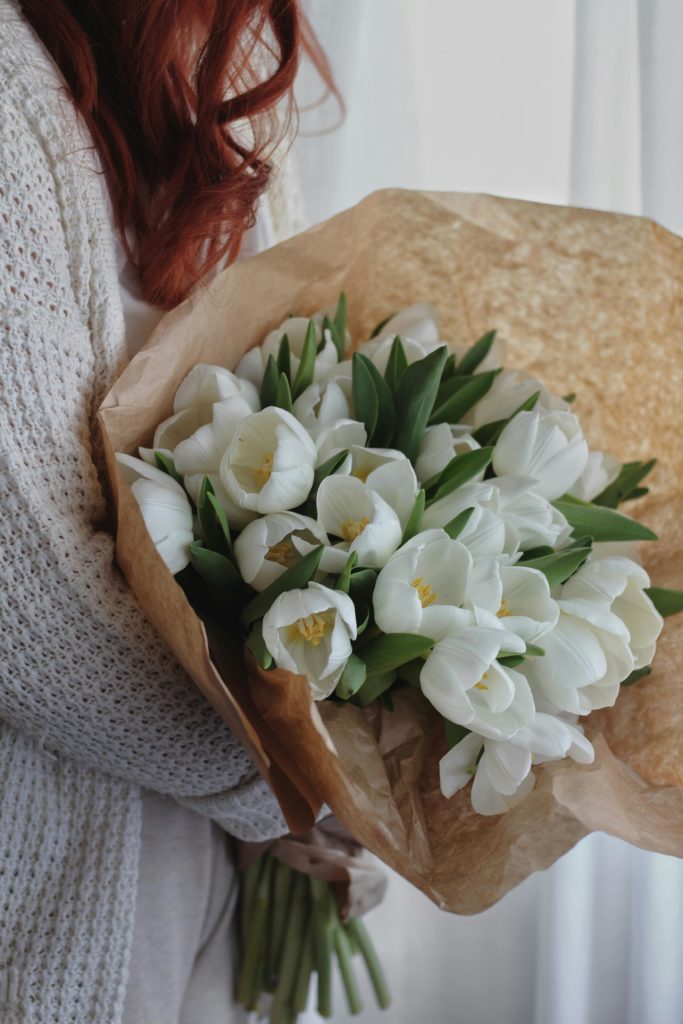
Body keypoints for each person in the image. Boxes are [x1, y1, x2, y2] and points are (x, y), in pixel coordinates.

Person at [0, 2, 332, 1021]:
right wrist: (292, 777)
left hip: (205, 873)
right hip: (45, 886)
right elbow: (28, 603)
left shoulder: (211, 63)